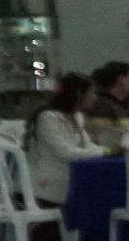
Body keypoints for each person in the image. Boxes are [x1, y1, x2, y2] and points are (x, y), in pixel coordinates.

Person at [28, 73, 109, 206]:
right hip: (48, 184)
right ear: (79, 94)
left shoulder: (77, 117)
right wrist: (105, 152)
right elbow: (65, 153)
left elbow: (87, 146)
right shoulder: (48, 118)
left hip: (70, 179)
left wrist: (111, 150)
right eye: (92, 93)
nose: (95, 98)